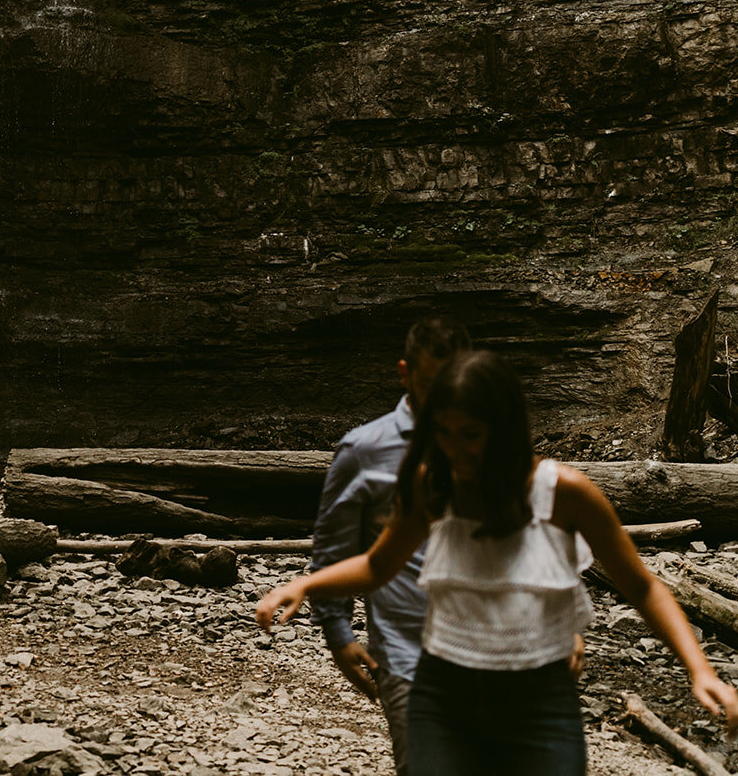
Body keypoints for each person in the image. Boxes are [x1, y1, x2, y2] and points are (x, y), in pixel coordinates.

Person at [258, 350, 738, 774]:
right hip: (442, 700)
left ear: (503, 429)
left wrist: (700, 671)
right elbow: (377, 567)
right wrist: (306, 584)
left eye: (470, 435)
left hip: (540, 703)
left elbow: (643, 587)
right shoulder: (432, 484)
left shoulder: (565, 492)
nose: (455, 449)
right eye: (442, 432)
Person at [307, 317, 470, 774]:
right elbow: (333, 547)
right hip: (404, 652)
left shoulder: (487, 446)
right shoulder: (363, 451)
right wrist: (339, 635)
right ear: (404, 374)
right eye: (429, 384)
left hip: (497, 647)